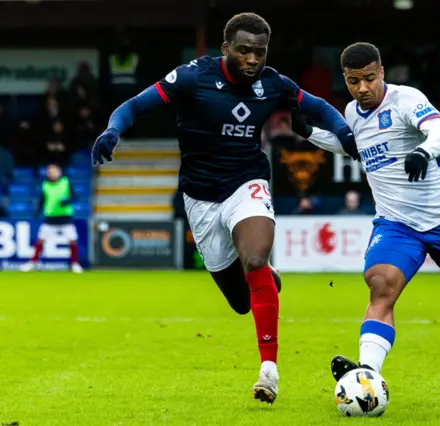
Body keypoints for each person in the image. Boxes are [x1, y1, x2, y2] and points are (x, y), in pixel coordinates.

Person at [91, 13, 358, 404]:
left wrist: (346, 133)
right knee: (240, 302)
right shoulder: (192, 78)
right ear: (226, 49)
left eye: (260, 52)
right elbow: (133, 106)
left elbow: (321, 109)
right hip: (200, 197)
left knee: (254, 258)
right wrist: (113, 130)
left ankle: (269, 371)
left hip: (247, 183)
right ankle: (266, 279)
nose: (253, 59)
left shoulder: (273, 84)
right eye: (245, 50)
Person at [289, 42, 440, 385]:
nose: (362, 88)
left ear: (382, 72)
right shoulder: (354, 112)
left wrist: (422, 152)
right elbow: (351, 148)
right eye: (353, 81)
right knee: (380, 284)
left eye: (369, 79)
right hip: (397, 224)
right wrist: (310, 133)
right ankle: (367, 374)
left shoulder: (406, 99)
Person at [20, 164, 83, 273]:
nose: (53, 173)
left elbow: (75, 196)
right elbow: (42, 200)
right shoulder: (45, 185)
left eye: (55, 171)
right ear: (48, 173)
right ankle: (32, 263)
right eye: (51, 171)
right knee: (41, 240)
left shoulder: (65, 182)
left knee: (72, 240)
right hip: (50, 217)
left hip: (65, 217)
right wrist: (38, 211)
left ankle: (75, 264)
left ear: (59, 172)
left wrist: (66, 201)